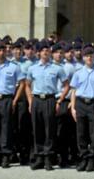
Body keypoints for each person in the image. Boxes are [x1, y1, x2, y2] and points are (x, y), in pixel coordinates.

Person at [26, 41, 69, 170]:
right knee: (37, 128)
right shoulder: (32, 68)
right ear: (39, 53)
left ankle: (48, 158)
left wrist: (59, 100)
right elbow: (27, 85)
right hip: (37, 100)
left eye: (47, 50)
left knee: (49, 129)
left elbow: (66, 85)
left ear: (50, 53)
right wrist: (30, 101)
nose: (45, 52)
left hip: (50, 100)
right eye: (43, 50)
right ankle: (39, 157)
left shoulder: (57, 68)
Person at [70, 46, 94, 172]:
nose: (89, 58)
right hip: (80, 104)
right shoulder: (78, 72)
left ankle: (91, 159)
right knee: (81, 133)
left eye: (91, 55)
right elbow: (74, 91)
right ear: (84, 57)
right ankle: (83, 158)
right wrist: (73, 108)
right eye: (86, 56)